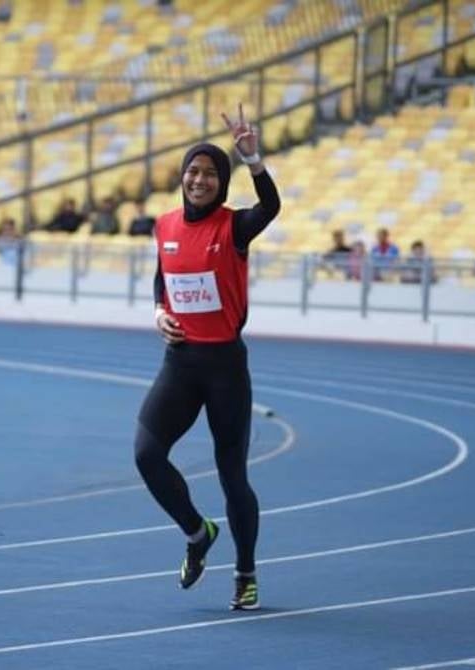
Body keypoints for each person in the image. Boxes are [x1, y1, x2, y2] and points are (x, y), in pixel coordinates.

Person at [134, 103, 279, 612]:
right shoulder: (166, 224)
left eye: (209, 174)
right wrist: (158, 311)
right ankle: (198, 534)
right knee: (146, 455)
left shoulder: (235, 227)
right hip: (180, 362)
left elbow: (272, 208)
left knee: (231, 475)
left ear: (221, 183)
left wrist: (253, 159)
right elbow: (163, 273)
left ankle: (245, 572)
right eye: (192, 172)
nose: (199, 180)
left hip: (224, 370)